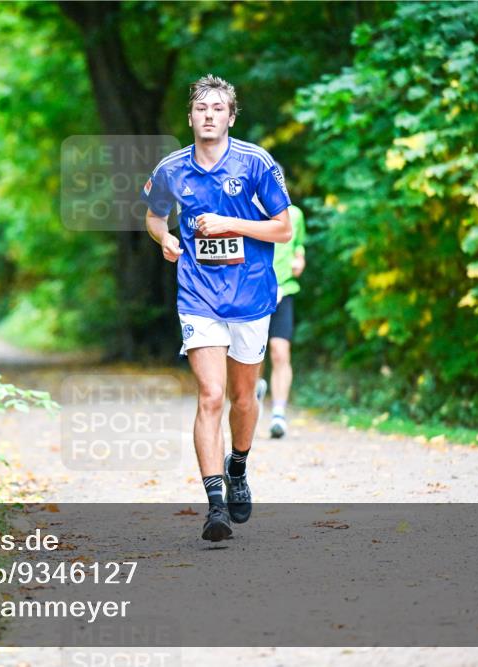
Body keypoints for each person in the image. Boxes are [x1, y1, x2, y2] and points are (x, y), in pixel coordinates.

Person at [141, 74, 292, 542]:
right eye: (201, 109)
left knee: (243, 398)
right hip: (198, 295)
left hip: (250, 296)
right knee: (211, 395)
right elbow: (153, 214)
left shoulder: (256, 163)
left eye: (218, 109)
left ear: (230, 117)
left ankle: (239, 466)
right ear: (190, 118)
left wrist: (231, 223)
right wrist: (165, 238)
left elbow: (283, 228)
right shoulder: (171, 169)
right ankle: (215, 507)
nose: (209, 115)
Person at [262, 203, 306, 438]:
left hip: (284, 289)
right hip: (255, 290)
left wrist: (300, 261)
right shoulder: (250, 208)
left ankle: (278, 413)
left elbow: (299, 246)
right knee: (252, 353)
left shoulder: (296, 214)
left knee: (280, 350)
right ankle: (253, 394)